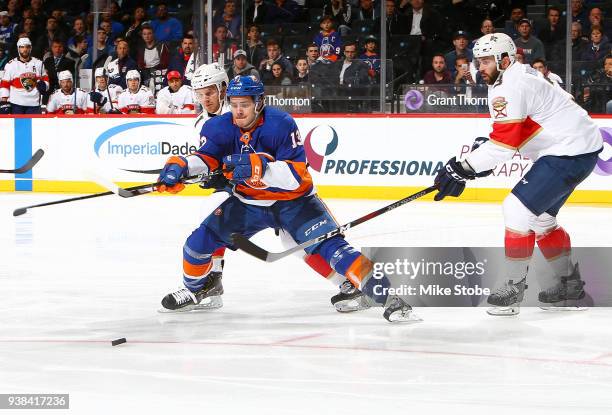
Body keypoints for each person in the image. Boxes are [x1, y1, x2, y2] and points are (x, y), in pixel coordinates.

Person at [156, 75, 413, 322]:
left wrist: (261, 167)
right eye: (234, 105)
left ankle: (389, 297)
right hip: (249, 203)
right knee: (199, 242)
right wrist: (182, 166)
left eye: (244, 105)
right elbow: (206, 157)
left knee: (332, 249)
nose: (238, 112)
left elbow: (296, 175)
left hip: (295, 202)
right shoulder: (219, 126)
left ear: (258, 103)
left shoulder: (281, 124)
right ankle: (195, 290)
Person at [433, 33, 603, 315]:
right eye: (478, 60)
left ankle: (512, 286)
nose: (480, 66)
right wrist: (479, 157)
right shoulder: (516, 76)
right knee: (542, 219)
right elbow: (518, 131)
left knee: (515, 209)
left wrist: (463, 168)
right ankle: (569, 285)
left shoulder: (509, 85)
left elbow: (504, 145)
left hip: (568, 151)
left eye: (487, 60)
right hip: (579, 148)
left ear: (504, 59)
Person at [0, 37, 48, 114]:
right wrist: (4, 101)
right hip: (16, 104)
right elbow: (5, 84)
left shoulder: (39, 63)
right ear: (18, 48)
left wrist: (45, 85)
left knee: (34, 126)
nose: (25, 49)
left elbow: (46, 80)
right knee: (18, 126)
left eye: (27, 47)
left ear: (31, 48)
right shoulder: (10, 65)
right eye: (22, 47)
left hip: (34, 104)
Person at [136, 24, 170, 94]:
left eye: (149, 33)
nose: (147, 36)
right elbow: (140, 64)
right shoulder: (141, 48)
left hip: (159, 74)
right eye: (144, 34)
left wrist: (153, 69)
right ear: (142, 36)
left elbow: (165, 63)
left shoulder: (161, 46)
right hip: (146, 75)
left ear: (153, 34)